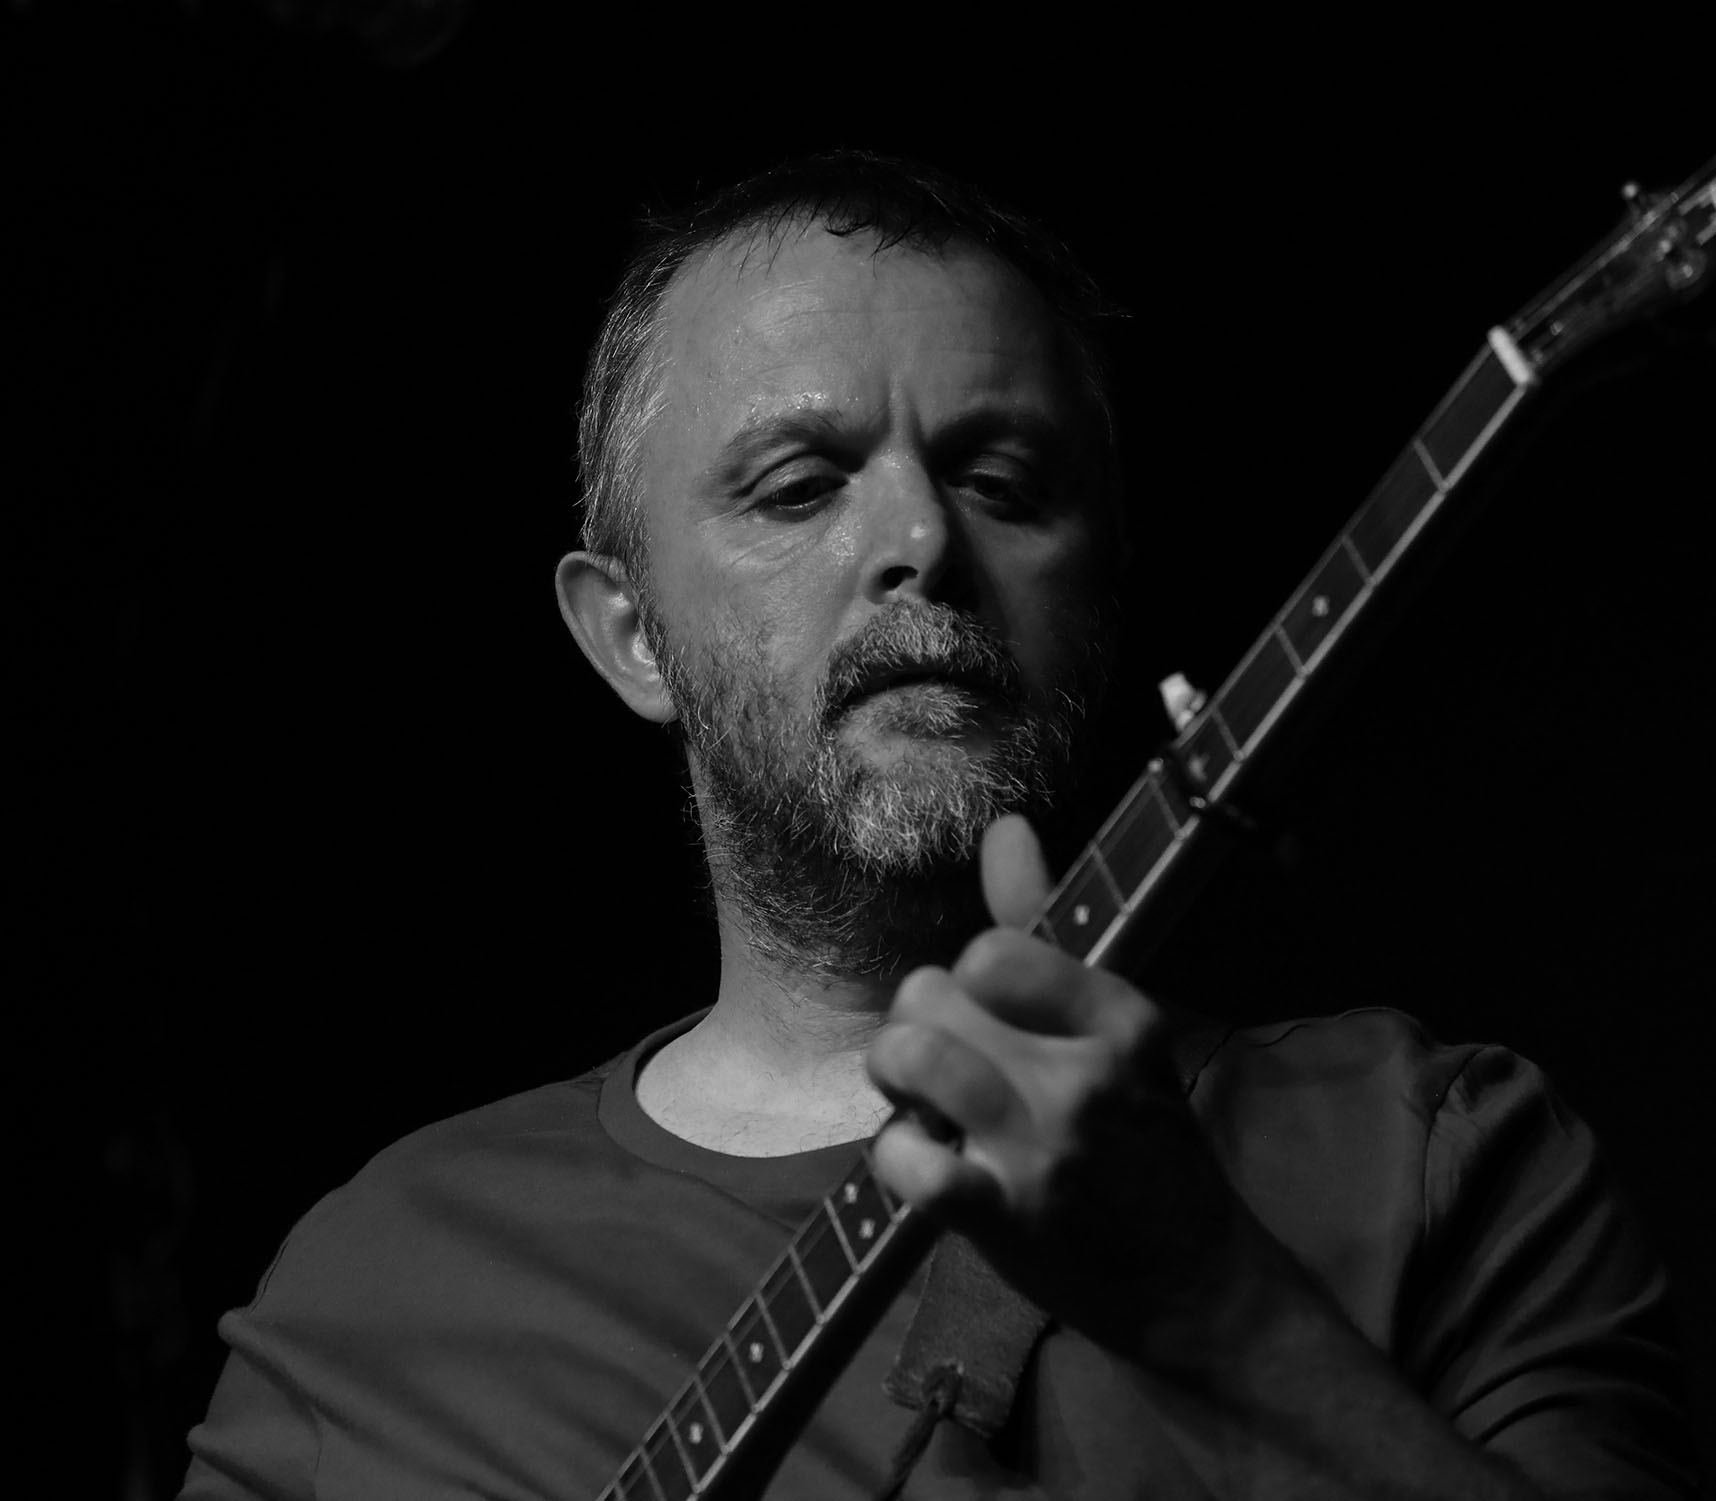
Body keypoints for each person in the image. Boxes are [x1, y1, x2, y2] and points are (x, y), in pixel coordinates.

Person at [178, 152, 1697, 1498]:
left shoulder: (1434, 1148)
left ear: (1101, 584)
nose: (918, 540)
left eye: (1002, 480)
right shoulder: (372, 1302)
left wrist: (1218, 1312)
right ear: (632, 637)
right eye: (798, 488)